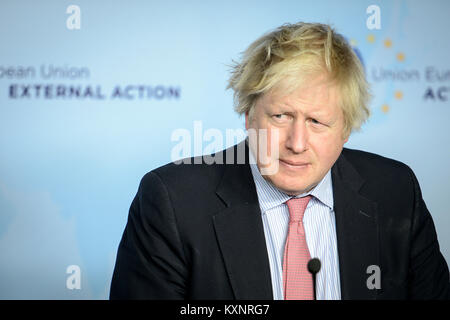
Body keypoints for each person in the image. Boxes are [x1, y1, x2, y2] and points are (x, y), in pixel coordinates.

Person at [110, 22, 450, 300]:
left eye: (317, 122)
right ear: (248, 115)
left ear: (346, 129)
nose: (297, 144)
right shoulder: (173, 201)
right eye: (280, 116)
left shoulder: (395, 191)